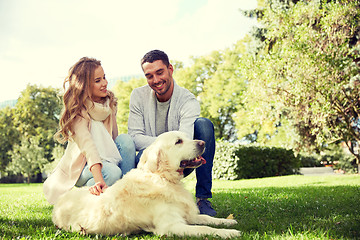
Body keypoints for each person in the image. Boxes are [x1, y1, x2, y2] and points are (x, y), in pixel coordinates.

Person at [117, 50, 217, 216]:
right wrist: (164, 146)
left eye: (160, 72)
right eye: (149, 76)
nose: (155, 80)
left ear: (170, 69)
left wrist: (169, 146)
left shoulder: (188, 100)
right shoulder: (138, 96)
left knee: (204, 125)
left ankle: (203, 199)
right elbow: (134, 137)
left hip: (180, 159)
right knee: (140, 149)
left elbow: (184, 139)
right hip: (148, 159)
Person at [43, 57, 136, 205]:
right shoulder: (78, 112)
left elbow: (113, 140)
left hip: (107, 160)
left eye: (104, 77)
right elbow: (88, 148)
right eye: (98, 80)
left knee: (125, 140)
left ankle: (129, 196)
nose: (105, 83)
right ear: (85, 85)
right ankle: (92, 191)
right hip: (83, 166)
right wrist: (99, 180)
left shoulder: (108, 104)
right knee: (112, 173)